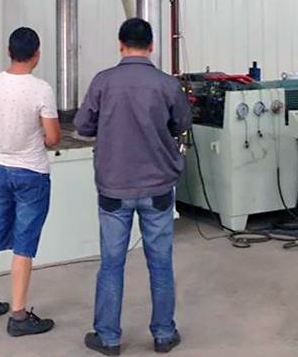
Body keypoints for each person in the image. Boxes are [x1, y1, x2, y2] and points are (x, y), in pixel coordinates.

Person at [74, 18, 192, 355]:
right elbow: (183, 122)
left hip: (114, 186)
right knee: (161, 262)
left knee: (112, 264)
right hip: (158, 187)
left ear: (120, 44)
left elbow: (83, 125)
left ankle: (108, 338)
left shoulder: (103, 81)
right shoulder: (166, 84)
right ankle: (164, 334)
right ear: (152, 46)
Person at [0, 26, 61, 337]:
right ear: (37, 54)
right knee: (23, 245)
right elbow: (53, 137)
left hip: (1, 169)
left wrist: (5, 139)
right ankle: (19, 316)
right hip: (32, 173)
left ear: (8, 52)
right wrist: (33, 141)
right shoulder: (41, 90)